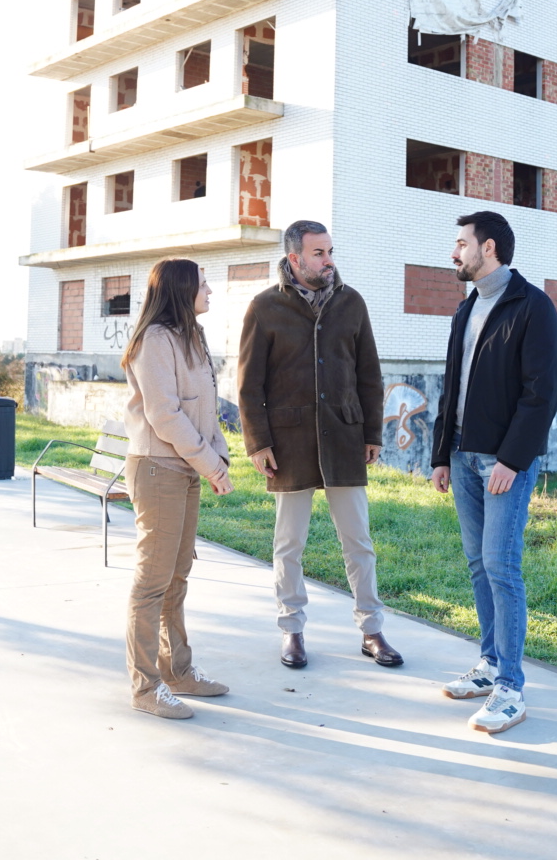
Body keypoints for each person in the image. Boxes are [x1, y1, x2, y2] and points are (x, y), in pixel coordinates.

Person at [239, 220, 403, 670]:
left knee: (359, 541)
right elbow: (250, 385)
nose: (328, 260)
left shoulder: (352, 303)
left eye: (330, 251)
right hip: (288, 443)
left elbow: (369, 374)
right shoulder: (265, 307)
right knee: (289, 543)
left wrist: (372, 433)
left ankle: (372, 630)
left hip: (345, 438)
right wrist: (257, 443)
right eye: (319, 253)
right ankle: (291, 629)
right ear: (294, 258)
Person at [429, 211, 557, 734]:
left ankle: (510, 688)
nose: (454, 252)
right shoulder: (466, 308)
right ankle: (488, 664)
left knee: (501, 565)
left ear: (488, 248)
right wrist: (441, 454)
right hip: (463, 455)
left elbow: (541, 393)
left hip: (503, 461)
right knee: (478, 564)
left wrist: (512, 459)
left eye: (461, 243)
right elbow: (451, 386)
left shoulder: (533, 306)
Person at [121, 258, 234, 719]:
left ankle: (177, 671)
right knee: (153, 581)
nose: (210, 291)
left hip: (184, 469)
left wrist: (219, 456)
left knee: (178, 576)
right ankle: (145, 687)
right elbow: (164, 415)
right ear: (180, 290)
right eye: (203, 284)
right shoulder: (154, 340)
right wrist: (210, 465)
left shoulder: (192, 336)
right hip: (157, 469)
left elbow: (206, 407)